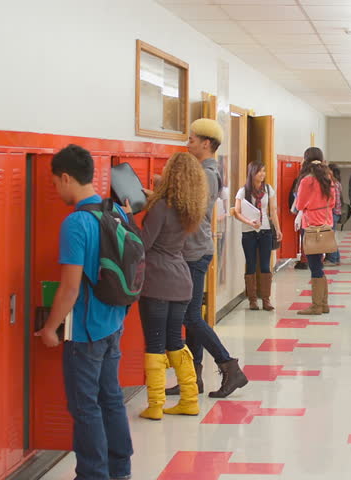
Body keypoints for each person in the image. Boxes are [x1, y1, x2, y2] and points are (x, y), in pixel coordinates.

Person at [35, 144, 133, 480]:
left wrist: (50, 327)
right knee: (111, 399)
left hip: (86, 332)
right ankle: (120, 470)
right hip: (114, 323)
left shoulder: (76, 223)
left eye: (54, 183)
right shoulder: (118, 211)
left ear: (65, 178)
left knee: (85, 407)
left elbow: (70, 288)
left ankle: (92, 474)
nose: (55, 189)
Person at [166, 118, 249, 399]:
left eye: (191, 139)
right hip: (193, 250)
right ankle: (194, 378)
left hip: (195, 252)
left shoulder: (207, 173)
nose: (187, 144)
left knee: (190, 316)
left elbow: (193, 211)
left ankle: (229, 367)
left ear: (205, 143)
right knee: (191, 315)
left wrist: (162, 198)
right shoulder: (202, 170)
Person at [136, 152, 208, 420]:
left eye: (166, 169)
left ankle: (155, 404)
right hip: (181, 282)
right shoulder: (188, 209)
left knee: (154, 344)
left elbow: (143, 243)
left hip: (157, 282)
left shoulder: (160, 208)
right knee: (175, 341)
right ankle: (189, 399)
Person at [234, 160, 282, 311]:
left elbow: (273, 211)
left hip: (265, 231)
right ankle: (252, 300)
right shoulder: (243, 191)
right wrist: (249, 222)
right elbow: (237, 212)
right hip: (249, 232)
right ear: (252, 173)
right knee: (251, 264)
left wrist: (278, 229)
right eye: (259, 171)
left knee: (265, 265)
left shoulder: (268, 189)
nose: (262, 174)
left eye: (264, 171)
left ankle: (266, 299)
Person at [294, 147, 336, 315]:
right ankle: (324, 304)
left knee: (314, 266)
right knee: (319, 264)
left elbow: (299, 205)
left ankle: (316, 305)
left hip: (311, 226)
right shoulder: (328, 178)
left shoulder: (306, 180)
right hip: (326, 225)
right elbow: (332, 203)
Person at [325, 164, 343, 266]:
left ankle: (333, 258)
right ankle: (335, 258)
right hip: (334, 212)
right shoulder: (336, 183)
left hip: (333, 213)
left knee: (330, 236)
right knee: (331, 236)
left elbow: (334, 201)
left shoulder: (334, 184)